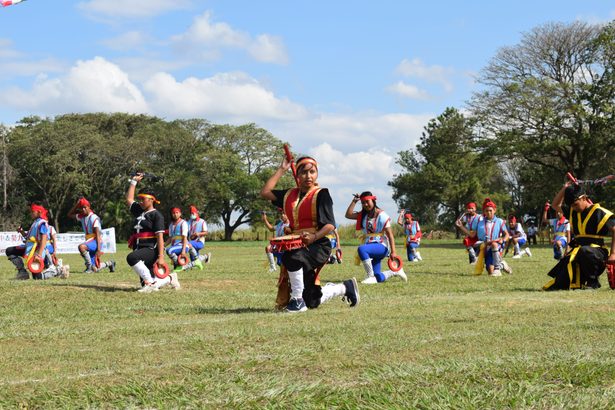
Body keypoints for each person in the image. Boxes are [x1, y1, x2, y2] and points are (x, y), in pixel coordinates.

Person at [260, 155, 360, 313]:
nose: (308, 176)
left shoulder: (322, 194)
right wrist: (282, 169)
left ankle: (297, 300)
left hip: (319, 244)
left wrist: (313, 237)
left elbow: (329, 225)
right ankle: (344, 288)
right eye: (304, 173)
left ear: (317, 174)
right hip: (298, 244)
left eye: (312, 172)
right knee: (313, 300)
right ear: (297, 176)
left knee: (291, 257)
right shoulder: (289, 195)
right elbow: (265, 192)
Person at [543, 181, 615, 290]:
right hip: (578, 251)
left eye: (575, 204)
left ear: (584, 198)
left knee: (585, 251)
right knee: (561, 282)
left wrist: (613, 253)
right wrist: (565, 188)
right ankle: (578, 282)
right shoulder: (573, 211)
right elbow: (555, 205)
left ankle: (593, 282)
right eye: (572, 205)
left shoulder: (600, 212)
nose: (574, 208)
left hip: (597, 254)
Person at [125, 174, 179, 292]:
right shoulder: (139, 211)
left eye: (143, 199)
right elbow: (129, 200)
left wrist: (161, 257)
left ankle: (150, 283)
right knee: (146, 281)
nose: (140, 202)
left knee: (131, 258)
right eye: (139, 199)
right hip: (139, 249)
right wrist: (133, 182)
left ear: (152, 200)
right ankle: (170, 278)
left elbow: (160, 238)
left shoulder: (156, 215)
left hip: (151, 250)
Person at [345, 192, 407, 284]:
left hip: (381, 246)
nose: (365, 204)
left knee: (362, 250)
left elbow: (390, 235)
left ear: (373, 201)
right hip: (370, 246)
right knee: (377, 277)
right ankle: (395, 271)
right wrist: (354, 201)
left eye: (367, 201)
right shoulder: (363, 215)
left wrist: (393, 252)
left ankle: (370, 275)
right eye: (363, 203)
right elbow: (348, 215)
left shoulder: (382, 215)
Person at [5, 203, 58, 280]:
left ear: (39, 212)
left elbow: (44, 239)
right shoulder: (36, 222)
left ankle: (57, 271)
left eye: (32, 211)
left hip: (36, 250)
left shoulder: (42, 223)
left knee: (37, 277)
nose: (31, 214)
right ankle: (22, 272)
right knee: (10, 251)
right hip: (29, 248)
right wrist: (22, 232)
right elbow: (29, 237)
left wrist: (39, 255)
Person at [462, 198, 511, 276]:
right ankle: (502, 265)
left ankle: (497, 269)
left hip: (497, 246)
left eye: (490, 210)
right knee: (490, 271)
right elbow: (472, 235)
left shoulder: (500, 221)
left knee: (494, 244)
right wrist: (461, 226)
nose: (489, 212)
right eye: (487, 211)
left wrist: (503, 240)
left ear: (494, 210)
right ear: (484, 212)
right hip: (485, 247)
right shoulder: (479, 223)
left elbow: (507, 234)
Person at [68, 197, 115, 273]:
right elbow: (69, 215)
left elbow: (97, 235)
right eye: (81, 208)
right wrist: (77, 205)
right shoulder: (82, 216)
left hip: (96, 241)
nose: (83, 209)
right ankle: (110, 263)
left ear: (88, 207)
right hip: (90, 241)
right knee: (95, 268)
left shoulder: (94, 218)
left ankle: (89, 267)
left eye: (84, 207)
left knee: (81, 247)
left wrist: (99, 250)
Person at [164, 207, 202, 274]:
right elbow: (170, 238)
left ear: (180, 213)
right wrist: (163, 246)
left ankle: (180, 265)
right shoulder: (171, 225)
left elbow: (185, 238)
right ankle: (179, 265)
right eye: (173, 213)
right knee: (174, 270)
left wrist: (183, 250)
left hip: (182, 245)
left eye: (177, 213)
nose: (175, 214)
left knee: (169, 250)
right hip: (175, 246)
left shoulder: (183, 223)